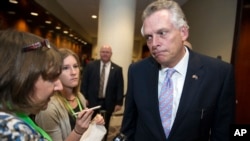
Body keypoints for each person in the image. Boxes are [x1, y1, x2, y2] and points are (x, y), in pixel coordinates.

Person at [120, 0, 235, 141]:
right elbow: (128, 127)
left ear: (183, 32)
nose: (154, 44)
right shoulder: (137, 71)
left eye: (162, 33)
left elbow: (223, 132)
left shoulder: (218, 73)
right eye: (149, 37)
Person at [0, 29, 63, 141]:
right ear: (21, 76)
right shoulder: (12, 131)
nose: (60, 87)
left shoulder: (18, 117)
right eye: (51, 78)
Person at [35, 48, 105, 141]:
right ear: (55, 72)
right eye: (65, 68)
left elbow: (83, 132)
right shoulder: (48, 108)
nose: (73, 72)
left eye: (75, 66)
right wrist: (77, 132)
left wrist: (93, 123)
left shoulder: (80, 97)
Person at [81, 45, 124, 141]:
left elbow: (120, 86)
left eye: (107, 52)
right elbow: (84, 83)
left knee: (104, 124)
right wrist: (84, 98)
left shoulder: (117, 69)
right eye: (103, 51)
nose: (105, 54)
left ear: (111, 54)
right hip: (92, 101)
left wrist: (119, 102)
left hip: (108, 102)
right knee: (89, 123)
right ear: (100, 53)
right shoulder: (90, 66)